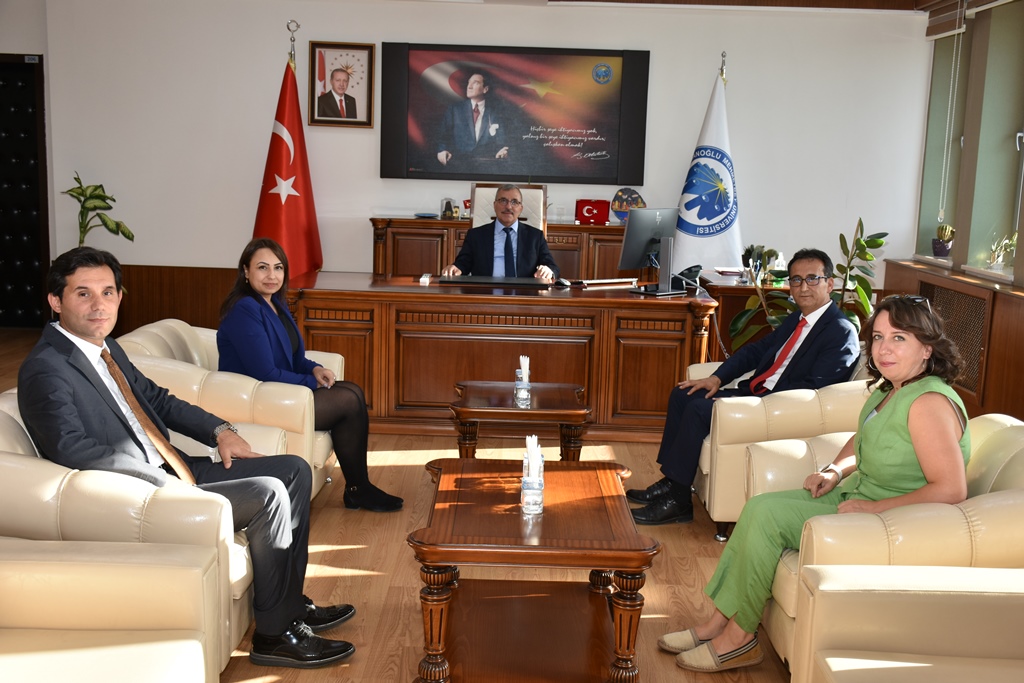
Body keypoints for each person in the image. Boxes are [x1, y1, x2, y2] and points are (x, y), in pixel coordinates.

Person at [18, 246, 356, 669]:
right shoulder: (47, 367)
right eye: (83, 294)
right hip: (143, 491)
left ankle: (289, 605)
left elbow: (158, 399)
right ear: (56, 301)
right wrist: (159, 482)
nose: (99, 305)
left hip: (175, 467)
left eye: (107, 292)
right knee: (269, 494)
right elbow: (72, 449)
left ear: (120, 297)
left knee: (294, 470)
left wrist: (220, 431)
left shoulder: (106, 348)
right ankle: (273, 636)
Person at [662, 294, 969, 673]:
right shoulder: (892, 389)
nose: (884, 349)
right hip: (855, 495)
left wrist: (873, 508)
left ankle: (738, 639)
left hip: (887, 519)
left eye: (899, 338)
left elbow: (951, 488)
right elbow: (863, 439)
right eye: (878, 337)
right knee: (758, 507)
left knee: (766, 517)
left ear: (927, 348)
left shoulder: (928, 403)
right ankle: (716, 624)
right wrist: (834, 471)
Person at [629, 248, 860, 525]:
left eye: (812, 279)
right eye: (796, 280)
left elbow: (815, 392)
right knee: (683, 394)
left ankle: (677, 502)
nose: (803, 287)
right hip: (756, 394)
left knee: (700, 410)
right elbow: (755, 351)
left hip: (778, 408)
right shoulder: (797, 320)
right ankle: (672, 482)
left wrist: (756, 404)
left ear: (829, 284)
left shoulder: (840, 331)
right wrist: (717, 378)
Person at [217, 238, 402, 513]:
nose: (272, 275)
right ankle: (358, 490)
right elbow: (264, 372)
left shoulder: (275, 304)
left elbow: (293, 359)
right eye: (262, 267)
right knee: (348, 402)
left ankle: (358, 488)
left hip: (275, 391)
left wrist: (314, 368)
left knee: (353, 391)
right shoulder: (245, 309)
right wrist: (310, 382)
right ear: (246, 271)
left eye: (278, 268)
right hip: (255, 399)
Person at [441, 184, 559, 280]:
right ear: (495, 205)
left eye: (514, 202)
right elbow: (463, 263)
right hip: (485, 293)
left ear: (521, 208)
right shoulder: (476, 235)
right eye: (503, 201)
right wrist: (456, 268)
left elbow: (552, 267)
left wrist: (548, 270)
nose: (508, 207)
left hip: (524, 295)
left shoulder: (535, 236)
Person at [435, 71, 510, 168]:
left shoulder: (496, 112)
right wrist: (442, 150)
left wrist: (503, 150)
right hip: (459, 165)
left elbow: (503, 140)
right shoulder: (455, 109)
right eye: (469, 82)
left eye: (475, 83)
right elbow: (442, 137)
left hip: (487, 166)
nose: (469, 86)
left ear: (485, 89)